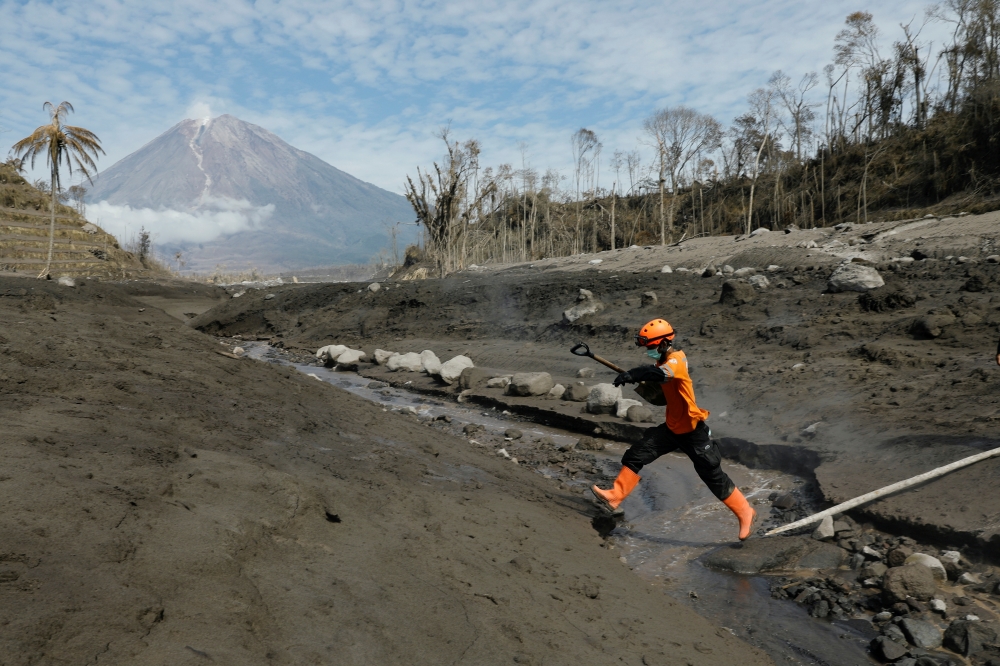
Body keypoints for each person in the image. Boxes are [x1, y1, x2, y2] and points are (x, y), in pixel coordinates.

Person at [590, 318, 758, 541]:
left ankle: (745, 512)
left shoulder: (676, 360)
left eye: (650, 347)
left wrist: (633, 374)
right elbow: (658, 389)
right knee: (636, 454)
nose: (648, 350)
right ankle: (615, 496)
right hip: (671, 429)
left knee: (712, 475)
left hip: (693, 431)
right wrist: (638, 379)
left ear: (663, 343)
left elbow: (660, 375)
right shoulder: (662, 362)